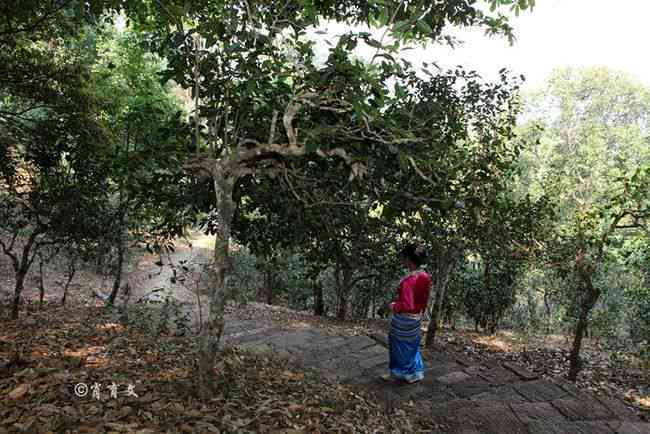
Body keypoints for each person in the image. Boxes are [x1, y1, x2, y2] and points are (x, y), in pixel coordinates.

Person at [382, 243, 432, 383]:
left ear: (408, 259)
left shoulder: (409, 281)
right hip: (417, 318)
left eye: (403, 257)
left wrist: (394, 306)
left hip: (405, 319)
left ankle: (402, 373)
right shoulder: (425, 276)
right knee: (412, 345)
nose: (401, 259)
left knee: (399, 347)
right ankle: (416, 371)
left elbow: (407, 305)